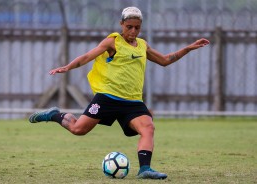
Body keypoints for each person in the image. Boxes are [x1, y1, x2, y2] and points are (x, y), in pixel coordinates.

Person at [29, 7, 210, 179]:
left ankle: (145, 169)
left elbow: (164, 60)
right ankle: (54, 115)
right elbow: (87, 56)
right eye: (129, 27)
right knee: (78, 129)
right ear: (121, 24)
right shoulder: (112, 41)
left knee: (148, 127)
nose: (133, 31)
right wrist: (67, 67)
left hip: (132, 102)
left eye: (137, 28)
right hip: (107, 97)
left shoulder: (142, 45)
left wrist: (188, 48)